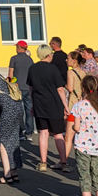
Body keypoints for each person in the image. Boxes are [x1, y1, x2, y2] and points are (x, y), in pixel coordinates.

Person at [27, 44, 68, 172]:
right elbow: (60, 89)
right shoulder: (53, 68)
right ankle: (64, 162)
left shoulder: (33, 68)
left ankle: (43, 162)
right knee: (58, 134)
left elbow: (31, 88)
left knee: (43, 133)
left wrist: (32, 104)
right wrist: (66, 106)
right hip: (54, 104)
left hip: (39, 104)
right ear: (48, 55)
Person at [7, 40, 35, 140]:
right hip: (28, 87)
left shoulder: (14, 58)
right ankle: (29, 132)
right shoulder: (30, 59)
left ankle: (20, 132)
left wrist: (9, 85)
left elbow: (10, 75)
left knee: (17, 110)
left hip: (17, 88)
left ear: (19, 47)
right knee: (29, 110)